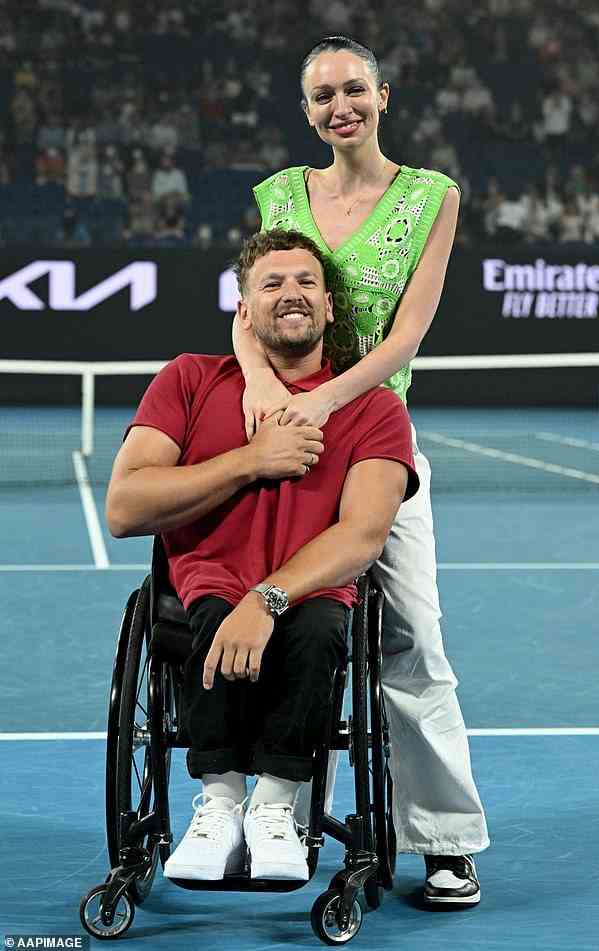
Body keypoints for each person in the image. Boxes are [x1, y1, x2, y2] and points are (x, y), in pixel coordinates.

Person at [232, 35, 489, 907]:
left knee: (414, 640)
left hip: (378, 437)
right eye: (320, 96)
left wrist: (327, 400)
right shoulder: (278, 195)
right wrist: (268, 385)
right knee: (295, 624)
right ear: (306, 112)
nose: (338, 106)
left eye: (353, 89)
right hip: (290, 447)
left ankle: (446, 840)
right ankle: (286, 819)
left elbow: (408, 335)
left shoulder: (431, 197)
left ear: (383, 94)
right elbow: (249, 311)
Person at [105, 228, 418, 883]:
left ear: (330, 306)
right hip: (203, 593)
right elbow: (126, 507)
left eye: (306, 281)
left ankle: (275, 806)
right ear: (243, 312)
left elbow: (363, 535)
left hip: (307, 598)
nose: (291, 294)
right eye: (271, 284)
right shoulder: (188, 379)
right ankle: (218, 805)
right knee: (208, 615)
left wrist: (267, 596)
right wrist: (252, 460)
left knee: (322, 625)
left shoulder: (376, 409)